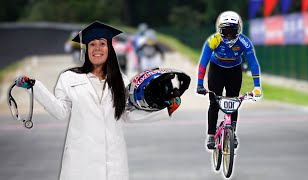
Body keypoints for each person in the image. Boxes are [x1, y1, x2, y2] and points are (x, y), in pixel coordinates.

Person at [14, 21, 182, 180]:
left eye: (102, 44)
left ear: (109, 48)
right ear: (86, 49)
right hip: (81, 162)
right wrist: (34, 87)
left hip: (113, 162)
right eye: (92, 44)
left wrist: (166, 110)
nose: (97, 48)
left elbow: (128, 114)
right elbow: (60, 112)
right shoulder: (69, 78)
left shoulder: (120, 81)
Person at [196, 11, 262, 149]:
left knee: (233, 101)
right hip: (216, 70)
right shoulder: (213, 40)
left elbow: (253, 64)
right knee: (214, 101)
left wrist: (257, 87)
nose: (229, 35)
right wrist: (199, 84)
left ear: (238, 30)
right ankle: (210, 135)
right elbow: (203, 63)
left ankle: (232, 132)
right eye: (226, 32)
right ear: (220, 31)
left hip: (234, 71)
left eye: (232, 31)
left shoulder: (245, 42)